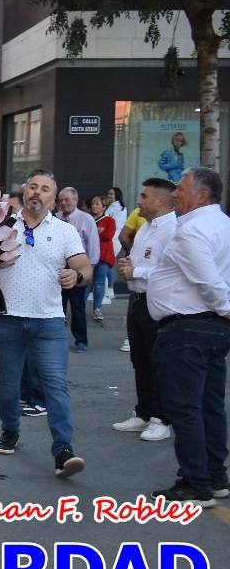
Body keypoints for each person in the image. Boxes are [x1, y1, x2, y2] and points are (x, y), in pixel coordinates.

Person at [0, 170, 91, 477]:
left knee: (55, 386)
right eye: (33, 186)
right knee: (9, 383)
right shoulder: (1, 226)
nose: (37, 192)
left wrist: (75, 276)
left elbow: (85, 267)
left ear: (54, 198)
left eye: (45, 189)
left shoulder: (65, 231)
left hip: (48, 322)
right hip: (8, 319)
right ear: (24, 191)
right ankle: (10, 429)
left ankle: (63, 450)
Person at [145, 167, 230, 507]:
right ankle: (214, 476)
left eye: (181, 188)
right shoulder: (221, 224)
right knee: (209, 405)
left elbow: (209, 282)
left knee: (185, 408)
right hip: (210, 329)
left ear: (202, 194)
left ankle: (197, 484)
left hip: (187, 329)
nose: (175, 193)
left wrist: (226, 307)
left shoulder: (191, 230)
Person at [113, 177, 177, 442]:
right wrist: (130, 264)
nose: (139, 201)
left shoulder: (173, 229)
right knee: (140, 360)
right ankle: (144, 412)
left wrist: (136, 270)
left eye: (144, 196)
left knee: (158, 362)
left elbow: (173, 271)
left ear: (161, 200)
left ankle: (162, 418)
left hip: (158, 304)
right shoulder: (146, 227)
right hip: (136, 301)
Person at [56, 186, 99, 351]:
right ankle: (57, 339)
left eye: (67, 200)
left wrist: (89, 270)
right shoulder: (56, 217)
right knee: (58, 307)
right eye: (61, 200)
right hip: (59, 268)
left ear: (75, 200)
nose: (64, 203)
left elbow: (93, 247)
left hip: (78, 268)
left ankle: (81, 340)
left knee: (77, 307)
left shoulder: (86, 219)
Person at [89, 195, 116, 322]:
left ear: (104, 207)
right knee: (86, 283)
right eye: (93, 204)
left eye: (97, 204)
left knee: (99, 283)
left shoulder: (109, 220)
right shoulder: (87, 219)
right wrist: (97, 231)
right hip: (88, 255)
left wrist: (94, 233)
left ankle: (97, 309)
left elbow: (108, 235)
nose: (94, 206)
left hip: (103, 256)